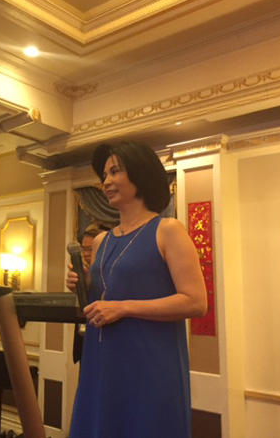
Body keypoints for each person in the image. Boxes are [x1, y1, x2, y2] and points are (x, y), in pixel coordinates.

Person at [66, 141, 207, 438]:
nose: (106, 181)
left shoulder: (167, 230)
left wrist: (124, 307)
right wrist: (84, 284)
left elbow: (196, 302)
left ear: (140, 175)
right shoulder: (102, 240)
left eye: (115, 171)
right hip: (102, 363)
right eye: (105, 174)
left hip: (149, 365)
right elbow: (103, 298)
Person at [72, 228, 100, 364]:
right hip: (85, 342)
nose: (86, 254)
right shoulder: (81, 272)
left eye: (90, 249)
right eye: (83, 249)